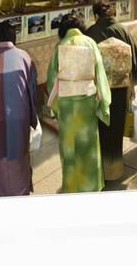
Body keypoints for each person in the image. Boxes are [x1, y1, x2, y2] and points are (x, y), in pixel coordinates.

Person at [46, 14, 111, 193]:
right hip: (87, 102)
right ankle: (90, 185)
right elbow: (100, 73)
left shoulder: (60, 46)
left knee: (70, 147)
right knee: (88, 145)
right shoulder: (90, 43)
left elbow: (52, 80)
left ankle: (72, 186)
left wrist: (56, 106)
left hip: (67, 106)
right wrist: (103, 101)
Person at [85, 0, 137, 180]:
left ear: (96, 15)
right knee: (116, 129)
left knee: (101, 128)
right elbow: (134, 61)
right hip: (121, 89)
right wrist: (131, 85)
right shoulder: (122, 30)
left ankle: (101, 170)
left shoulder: (90, 33)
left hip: (99, 91)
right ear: (111, 13)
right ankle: (115, 169)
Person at [0, 20, 38, 197]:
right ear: (13, 38)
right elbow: (32, 90)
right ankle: (21, 192)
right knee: (19, 156)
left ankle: (1, 194)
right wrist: (32, 116)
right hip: (19, 118)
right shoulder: (25, 57)